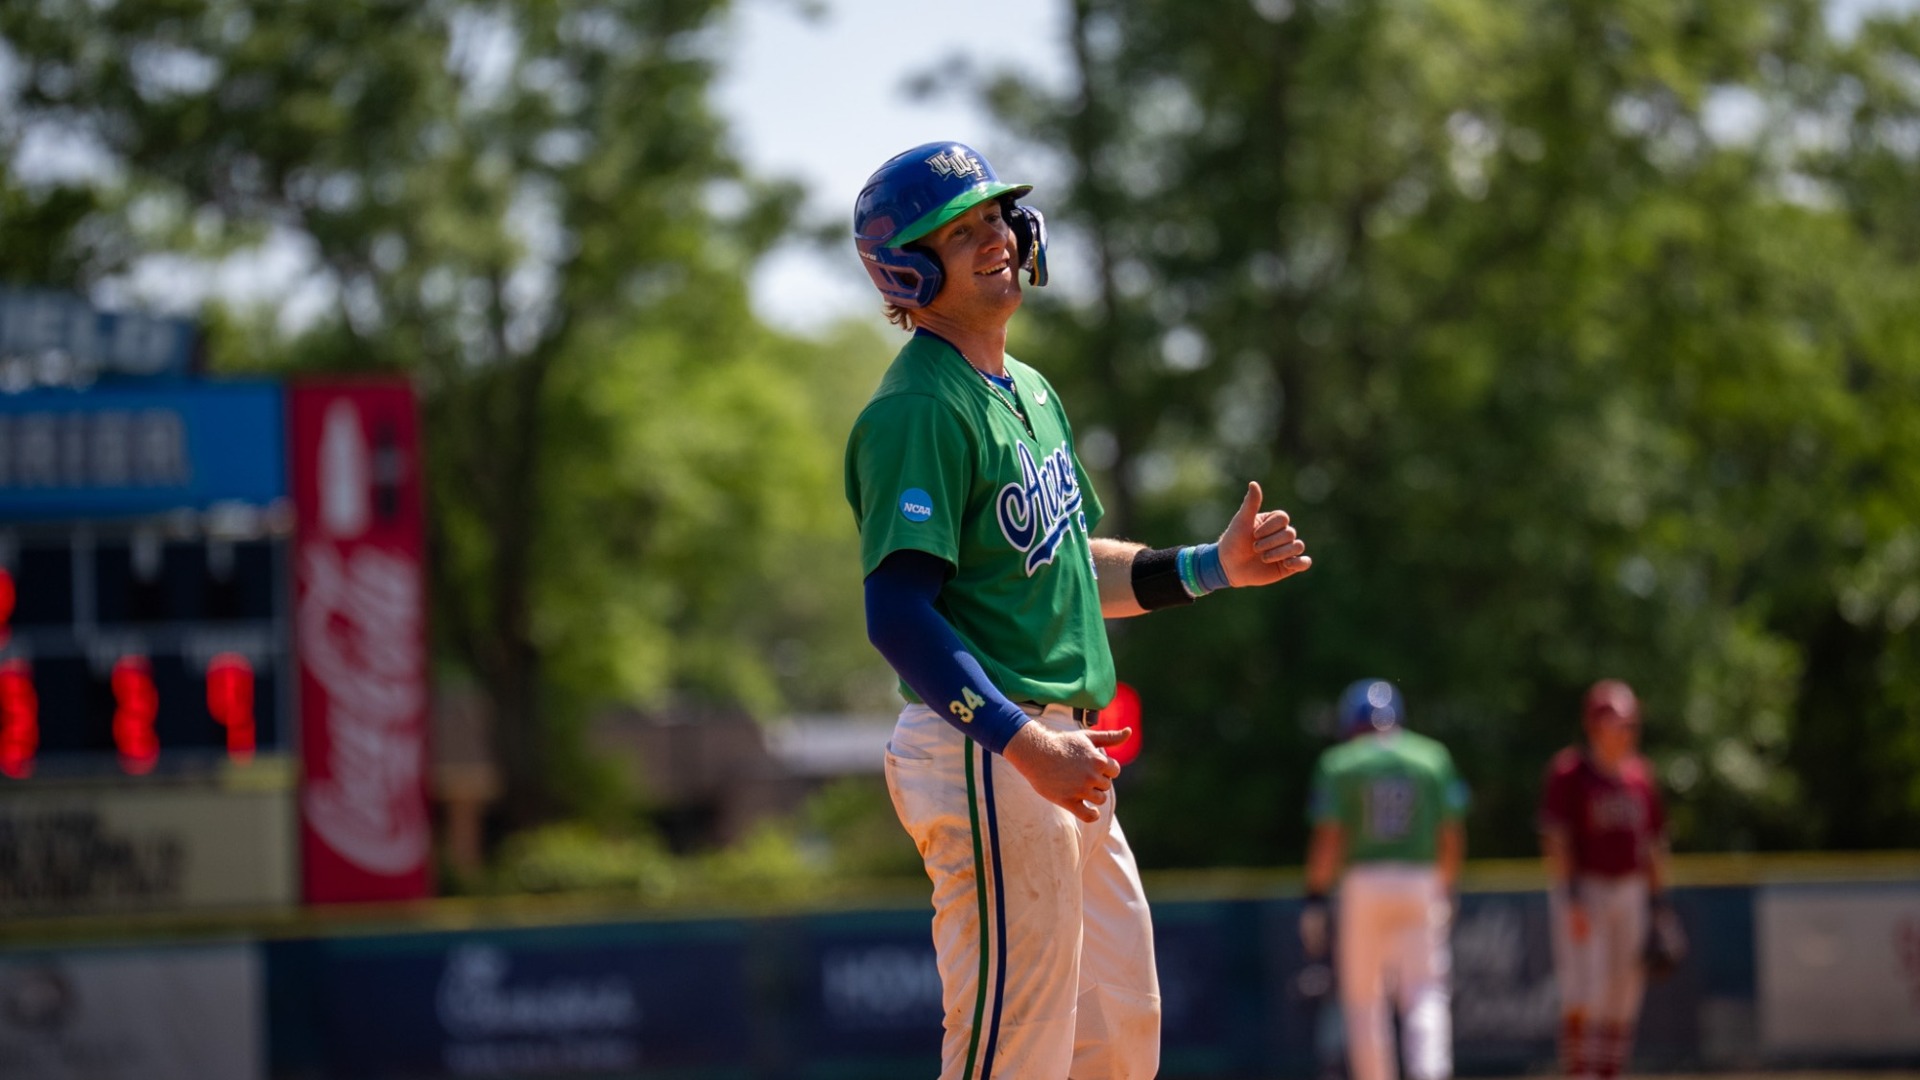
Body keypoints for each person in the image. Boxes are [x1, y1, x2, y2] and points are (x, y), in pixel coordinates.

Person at [844, 140, 1313, 1079]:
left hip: (1063, 756)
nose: (994, 241)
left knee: (1118, 1036)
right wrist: (1023, 742)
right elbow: (898, 613)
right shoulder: (919, 410)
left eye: (996, 219)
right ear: (908, 268)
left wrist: (1208, 569)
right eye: (960, 230)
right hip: (993, 752)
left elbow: (1067, 567)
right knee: (1013, 1054)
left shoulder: (1030, 393)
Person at [1301, 678, 1468, 1080]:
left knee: (1363, 998)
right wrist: (1445, 886)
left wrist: (1315, 897)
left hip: (1363, 882)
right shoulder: (1431, 757)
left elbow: (1329, 839)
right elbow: (1451, 834)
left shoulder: (1341, 762)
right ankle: (1430, 1072)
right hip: (1421, 879)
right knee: (1425, 990)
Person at [1538, 679, 1674, 1080]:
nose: (1627, 731)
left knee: (1623, 993)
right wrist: (1571, 898)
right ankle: (1580, 1073)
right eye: (1617, 722)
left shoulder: (1640, 776)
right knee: (1584, 991)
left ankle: (1610, 1072)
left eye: (1631, 723)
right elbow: (1556, 839)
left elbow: (1654, 844)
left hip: (1631, 890)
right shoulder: (1571, 772)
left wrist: (1658, 903)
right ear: (1594, 725)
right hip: (1586, 889)